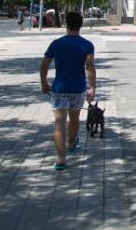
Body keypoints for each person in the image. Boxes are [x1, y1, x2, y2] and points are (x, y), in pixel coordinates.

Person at [39, 12, 96, 171]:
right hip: (78, 89)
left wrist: (44, 83)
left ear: (66, 24)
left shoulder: (56, 44)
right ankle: (71, 143)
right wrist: (92, 87)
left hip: (59, 89)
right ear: (81, 25)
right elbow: (90, 67)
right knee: (74, 118)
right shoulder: (87, 45)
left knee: (59, 123)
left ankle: (61, 160)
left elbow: (44, 65)